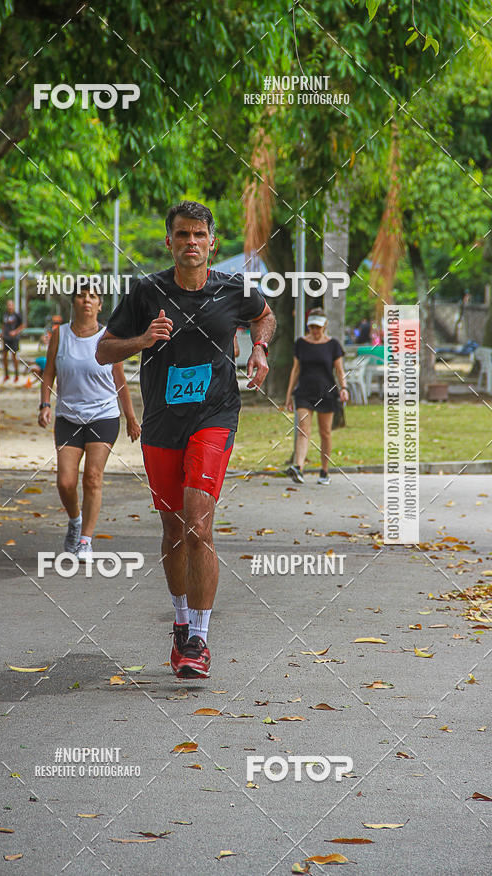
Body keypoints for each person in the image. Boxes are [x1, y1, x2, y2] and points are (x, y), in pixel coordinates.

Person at [96, 200, 276, 678]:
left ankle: (200, 636)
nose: (191, 242)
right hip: (161, 424)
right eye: (182, 235)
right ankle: (180, 625)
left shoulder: (234, 289)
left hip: (214, 417)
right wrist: (142, 340)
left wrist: (259, 348)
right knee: (174, 530)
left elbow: (265, 316)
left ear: (212, 242)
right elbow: (102, 350)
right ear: (170, 241)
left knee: (198, 524)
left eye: (199, 235)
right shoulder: (144, 292)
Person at [37, 281, 140, 559]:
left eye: (92, 296)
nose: (86, 300)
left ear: (99, 304)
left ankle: (85, 541)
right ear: (73, 302)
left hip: (103, 416)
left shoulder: (109, 337)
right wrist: (45, 404)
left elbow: (120, 381)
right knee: (65, 482)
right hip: (68, 417)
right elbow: (49, 373)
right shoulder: (60, 336)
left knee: (93, 477)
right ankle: (75, 521)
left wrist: (131, 418)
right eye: (81, 296)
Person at [284, 308, 349, 486]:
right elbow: (295, 370)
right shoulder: (301, 344)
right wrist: (289, 394)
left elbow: (339, 370)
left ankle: (325, 470)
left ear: (325, 326)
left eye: (318, 327)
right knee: (303, 429)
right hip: (304, 392)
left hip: (327, 393)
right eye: (312, 327)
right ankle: (298, 467)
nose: (315, 330)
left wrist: (344, 388)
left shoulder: (333, 345)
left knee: (325, 433)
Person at [1, 299, 25, 382]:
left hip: (14, 339)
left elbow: (23, 326)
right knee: (4, 356)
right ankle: (6, 374)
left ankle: (16, 375)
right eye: (8, 305)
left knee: (14, 356)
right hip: (6, 338)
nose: (10, 306)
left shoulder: (17, 315)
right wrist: (2, 333)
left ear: (13, 306)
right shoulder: (5, 315)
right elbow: (3, 325)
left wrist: (15, 332)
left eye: (11, 305)